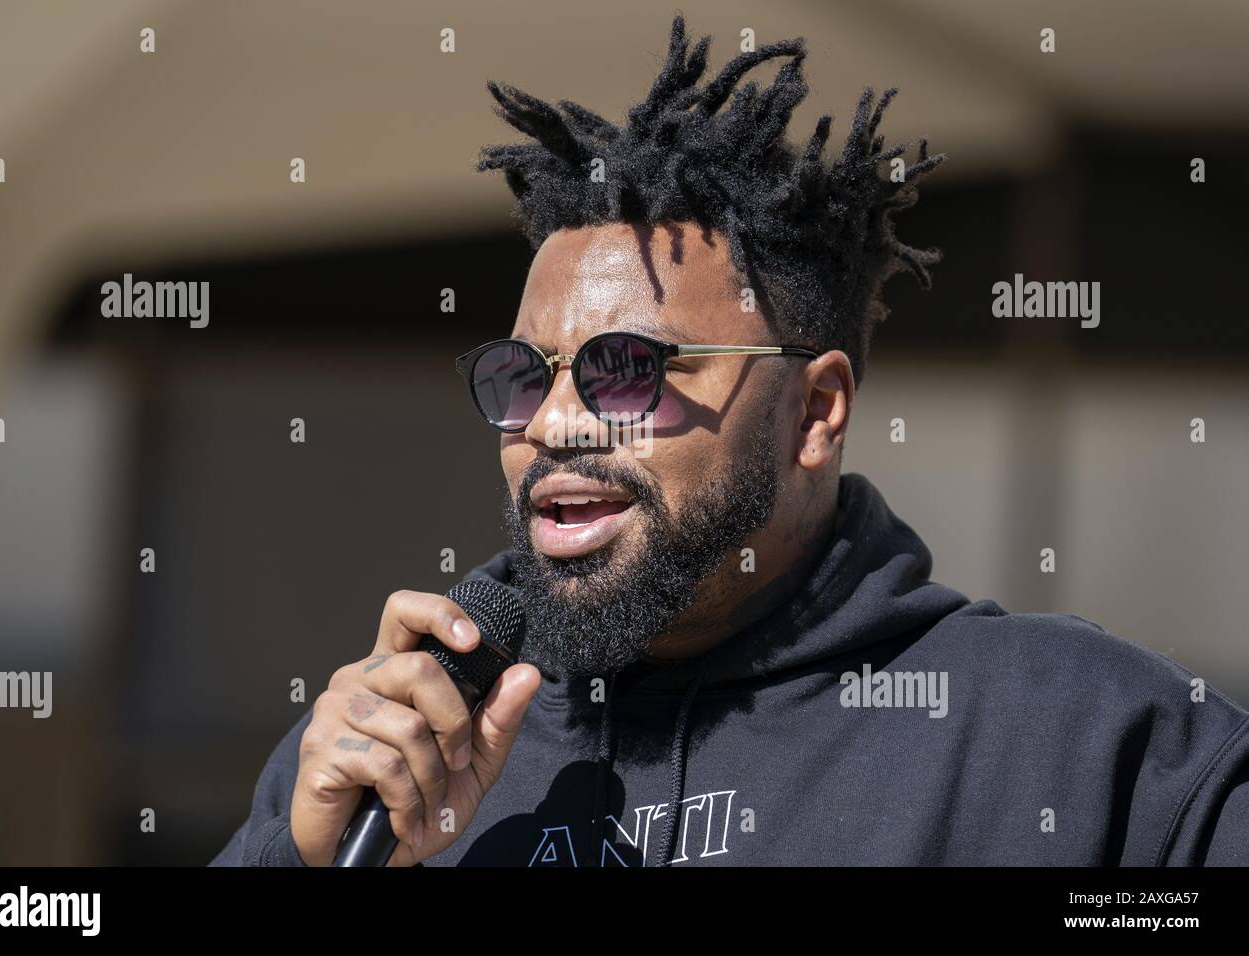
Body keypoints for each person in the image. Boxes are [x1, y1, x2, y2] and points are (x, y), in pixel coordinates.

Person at [212, 16, 1248, 867]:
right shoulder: (387, 756)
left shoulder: (1074, 739)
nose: (557, 423)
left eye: (627, 367)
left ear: (815, 410)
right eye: (524, 376)